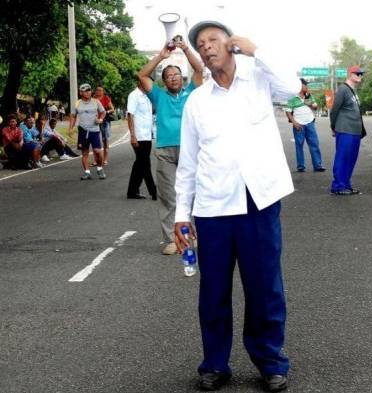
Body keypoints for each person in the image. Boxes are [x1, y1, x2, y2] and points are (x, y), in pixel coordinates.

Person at [174, 20, 300, 392]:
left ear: (231, 44)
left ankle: (270, 361)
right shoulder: (197, 101)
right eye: (201, 43)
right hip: (212, 206)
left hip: (258, 200)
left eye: (214, 39)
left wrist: (256, 50)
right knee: (213, 292)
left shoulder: (258, 82)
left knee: (264, 288)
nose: (207, 46)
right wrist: (182, 215)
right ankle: (215, 364)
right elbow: (189, 163)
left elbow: (293, 89)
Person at [137, 33, 203, 255]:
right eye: (169, 76)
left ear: (181, 78)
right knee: (168, 196)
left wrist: (185, 49)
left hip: (191, 150)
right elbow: (142, 75)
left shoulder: (192, 93)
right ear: (163, 82)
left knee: (193, 194)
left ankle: (192, 235)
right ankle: (172, 239)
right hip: (165, 151)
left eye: (176, 74)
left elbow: (199, 69)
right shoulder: (158, 96)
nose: (173, 78)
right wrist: (162, 55)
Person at [329, 65, 366, 195]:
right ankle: (338, 186)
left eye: (361, 74)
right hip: (345, 129)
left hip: (355, 130)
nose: (360, 76)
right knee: (343, 157)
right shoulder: (343, 89)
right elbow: (334, 110)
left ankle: (346, 184)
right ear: (350, 74)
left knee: (351, 159)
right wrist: (333, 126)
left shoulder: (353, 90)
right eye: (357, 74)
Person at [284, 78, 325, 172]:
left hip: (310, 123)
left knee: (314, 144)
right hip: (299, 125)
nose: (307, 87)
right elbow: (288, 112)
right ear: (300, 86)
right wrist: (294, 123)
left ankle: (318, 165)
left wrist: (308, 102)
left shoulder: (309, 96)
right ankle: (301, 166)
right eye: (305, 85)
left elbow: (315, 107)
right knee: (299, 145)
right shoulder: (292, 98)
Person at [68, 83, 107, 180]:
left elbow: (103, 112)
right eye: (85, 91)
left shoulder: (96, 102)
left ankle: (100, 168)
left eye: (89, 90)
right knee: (84, 153)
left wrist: (100, 120)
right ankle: (87, 172)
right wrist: (71, 128)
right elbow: (73, 116)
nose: (88, 92)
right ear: (81, 92)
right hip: (82, 130)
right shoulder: (77, 103)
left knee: (98, 151)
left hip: (94, 130)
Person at [126, 82, 157, 200]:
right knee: (145, 164)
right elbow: (130, 115)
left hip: (147, 135)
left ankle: (132, 191)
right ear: (141, 82)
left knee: (140, 164)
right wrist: (133, 136)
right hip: (138, 136)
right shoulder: (134, 95)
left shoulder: (148, 96)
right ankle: (154, 192)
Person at [93, 85, 115, 165]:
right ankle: (96, 160)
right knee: (95, 140)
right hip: (95, 122)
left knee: (105, 140)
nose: (98, 91)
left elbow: (112, 109)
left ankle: (105, 160)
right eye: (97, 90)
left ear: (103, 91)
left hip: (105, 122)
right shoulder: (93, 99)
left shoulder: (106, 98)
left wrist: (107, 112)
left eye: (100, 90)